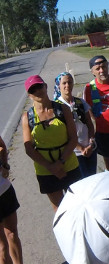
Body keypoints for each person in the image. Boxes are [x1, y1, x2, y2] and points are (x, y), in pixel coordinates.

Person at [22, 75, 80, 212]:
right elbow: (28, 147)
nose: (38, 91)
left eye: (39, 86)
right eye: (33, 89)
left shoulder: (63, 109)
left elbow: (73, 139)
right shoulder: (27, 117)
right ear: (29, 95)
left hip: (69, 164)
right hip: (45, 170)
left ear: (45, 86)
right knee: (60, 210)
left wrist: (59, 163)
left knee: (79, 204)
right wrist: (50, 167)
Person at [0, 136, 44, 264]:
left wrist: (5, 165)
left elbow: (2, 147)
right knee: (2, 247)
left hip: (4, 191)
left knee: (12, 234)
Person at [54, 72, 97, 178]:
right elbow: (62, 133)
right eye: (64, 83)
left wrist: (91, 142)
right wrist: (81, 148)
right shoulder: (56, 107)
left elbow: (89, 123)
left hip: (90, 148)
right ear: (58, 85)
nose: (67, 85)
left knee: (92, 178)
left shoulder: (81, 102)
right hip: (74, 152)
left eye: (69, 82)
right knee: (81, 182)